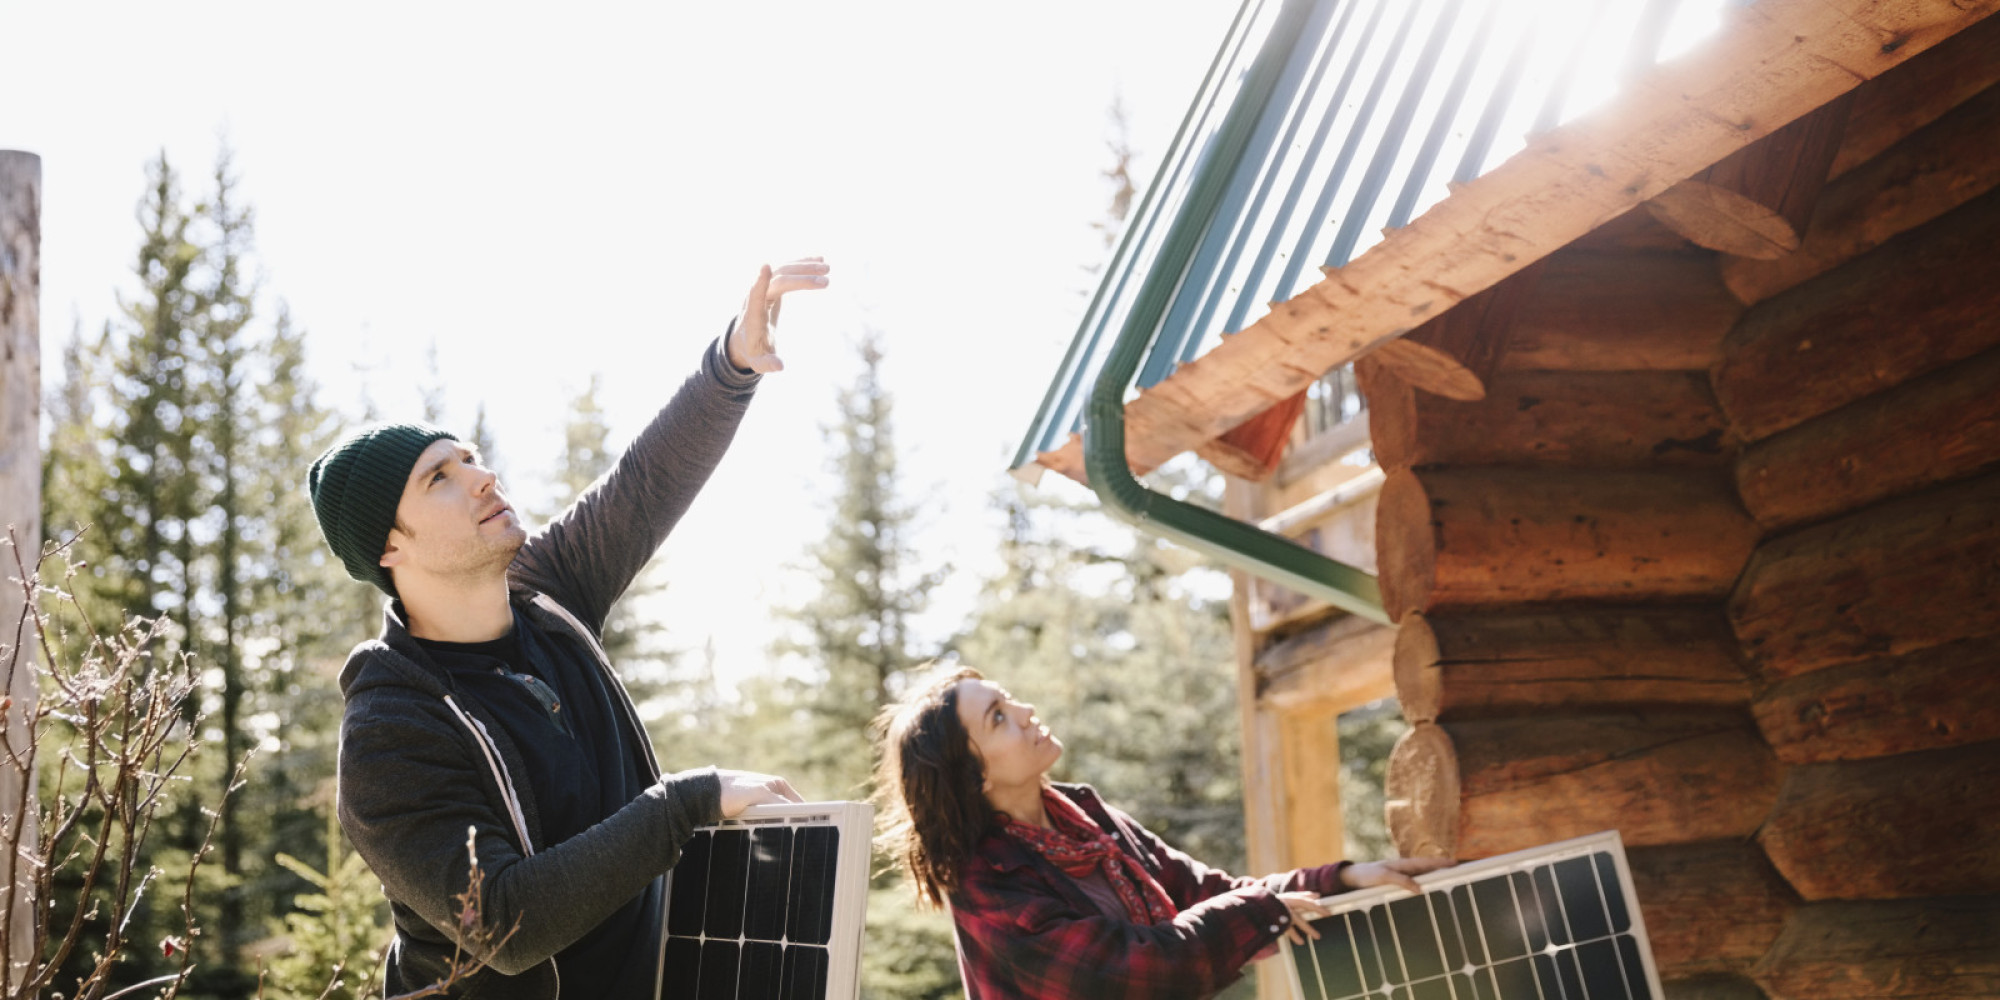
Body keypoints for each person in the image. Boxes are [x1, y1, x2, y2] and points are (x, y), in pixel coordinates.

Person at [309, 259, 829, 999]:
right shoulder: (390, 730)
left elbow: (643, 486)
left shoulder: (549, 598)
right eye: (439, 479)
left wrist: (733, 363)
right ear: (388, 548)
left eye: (470, 459)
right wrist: (686, 803)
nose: (482, 477)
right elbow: (503, 923)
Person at [874, 666, 1455, 999]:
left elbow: (1206, 892)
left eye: (1008, 698)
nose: (1025, 710)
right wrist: (1260, 909)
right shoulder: (986, 883)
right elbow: (1130, 972)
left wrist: (1347, 878)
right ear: (970, 776)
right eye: (997, 717)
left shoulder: (1085, 817)